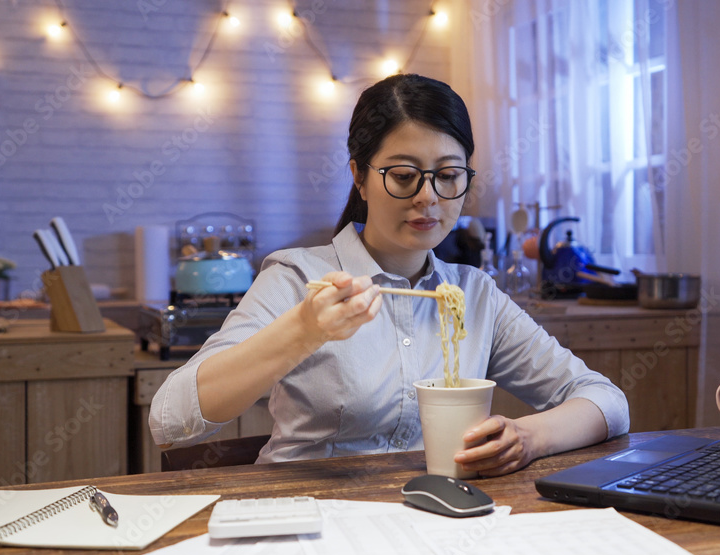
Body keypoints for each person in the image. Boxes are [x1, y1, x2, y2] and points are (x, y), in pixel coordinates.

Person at [150, 73, 629, 477]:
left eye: (448, 175)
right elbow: (170, 419)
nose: (429, 197)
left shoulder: (472, 294)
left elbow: (607, 401)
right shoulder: (300, 278)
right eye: (404, 176)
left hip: (437, 517)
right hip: (312, 518)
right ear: (360, 176)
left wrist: (529, 436)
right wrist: (303, 330)